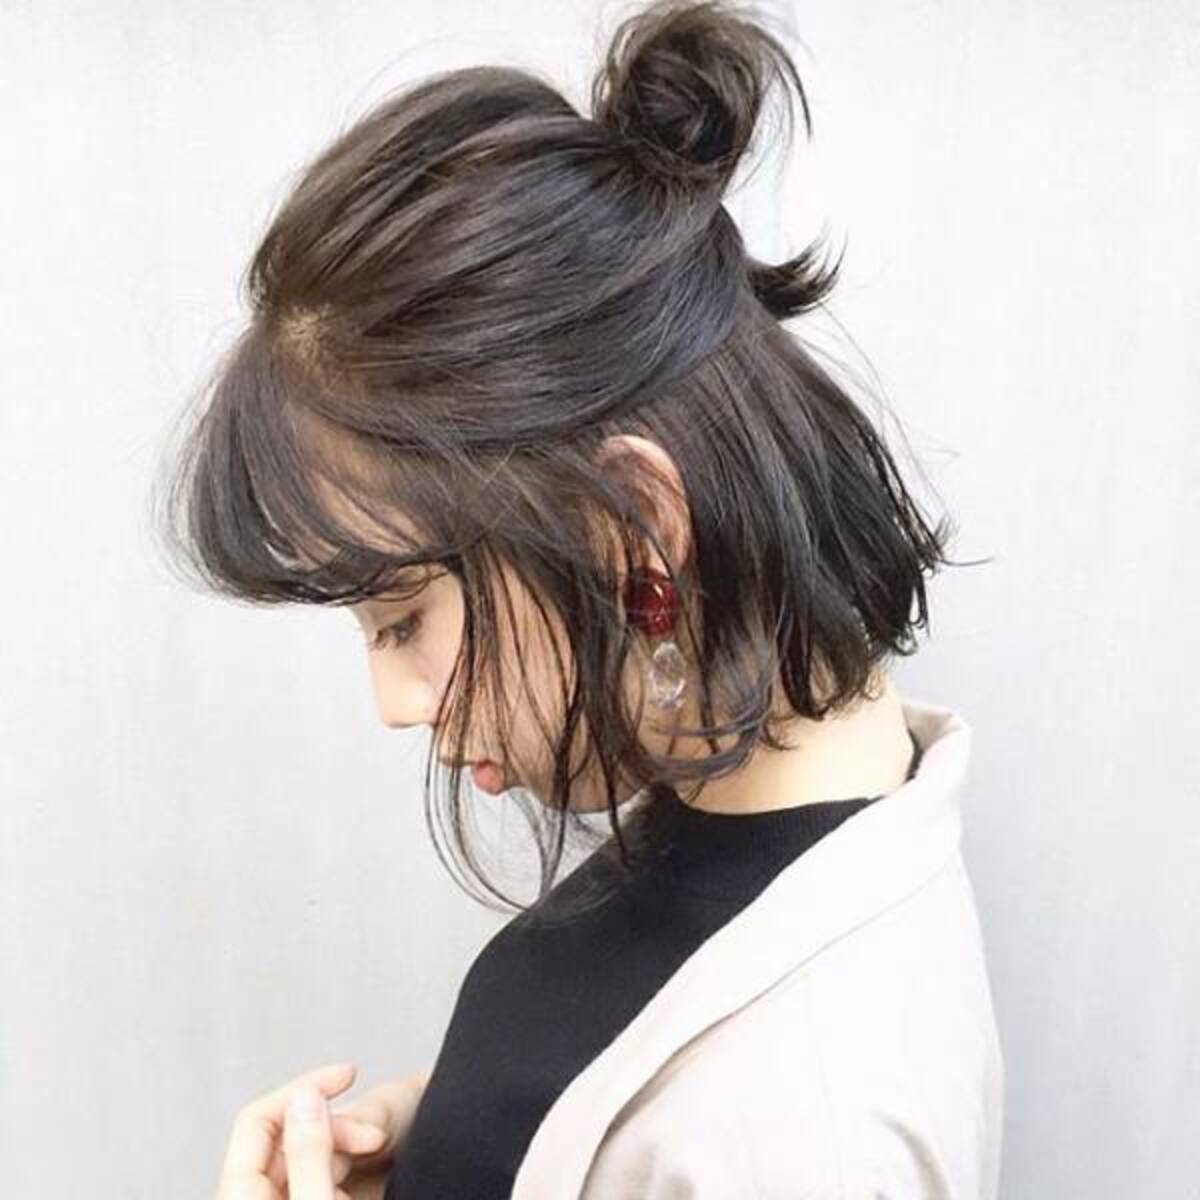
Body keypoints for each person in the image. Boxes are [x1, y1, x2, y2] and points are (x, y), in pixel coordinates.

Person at [173, 2, 1005, 1197]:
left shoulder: (812, 1136)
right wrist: (460, 1141)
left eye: (403, 619)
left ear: (633, 534)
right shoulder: (728, 789)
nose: (394, 702)